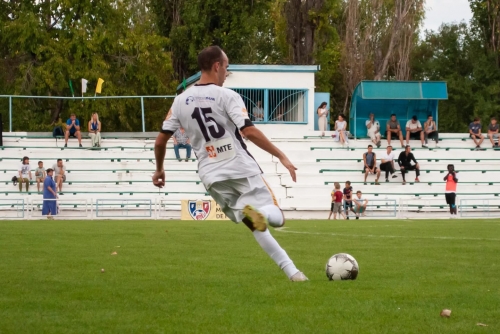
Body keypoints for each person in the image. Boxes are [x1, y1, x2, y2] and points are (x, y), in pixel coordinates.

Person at [153, 45, 307, 282]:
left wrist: (160, 169)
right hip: (239, 166)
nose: (227, 72)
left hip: (211, 176)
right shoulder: (227, 96)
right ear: (217, 66)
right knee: (276, 216)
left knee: (254, 224)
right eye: (226, 67)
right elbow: (249, 131)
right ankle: (263, 214)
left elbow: (161, 141)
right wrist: (280, 156)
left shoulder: (179, 101)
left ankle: (293, 272)